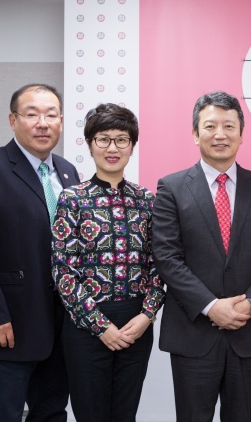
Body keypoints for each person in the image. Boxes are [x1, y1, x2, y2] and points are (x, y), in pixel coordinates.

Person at [152, 91, 251, 422]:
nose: (220, 134)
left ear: (241, 134)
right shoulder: (171, 188)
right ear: (195, 133)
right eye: (210, 126)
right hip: (193, 333)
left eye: (229, 126)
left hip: (247, 329)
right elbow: (167, 256)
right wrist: (211, 306)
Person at [0, 83, 80, 421]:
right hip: (10, 322)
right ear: (13, 120)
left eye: (51, 115)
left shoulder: (67, 172)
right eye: (31, 114)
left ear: (61, 121)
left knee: (52, 411)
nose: (42, 123)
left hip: (62, 322)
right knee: (3, 413)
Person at [51, 103, 164, 421]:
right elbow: (64, 272)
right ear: (90, 144)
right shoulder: (73, 199)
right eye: (103, 139)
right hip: (86, 326)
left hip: (135, 324)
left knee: (125, 413)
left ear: (132, 145)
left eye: (121, 140)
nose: (112, 148)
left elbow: (159, 266)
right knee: (91, 413)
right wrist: (101, 327)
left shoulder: (147, 200)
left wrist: (147, 316)